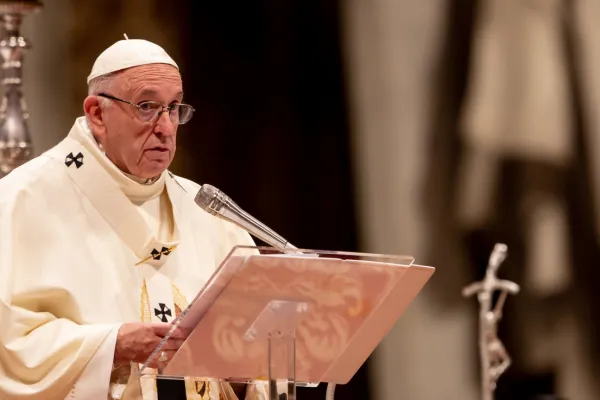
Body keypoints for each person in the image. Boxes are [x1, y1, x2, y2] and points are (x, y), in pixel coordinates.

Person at [0, 37, 266, 400]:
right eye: (147, 107)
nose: (166, 128)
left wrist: (241, 367)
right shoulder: (21, 200)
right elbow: (9, 347)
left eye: (173, 108)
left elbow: (263, 349)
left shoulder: (208, 211)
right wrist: (113, 344)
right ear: (97, 114)